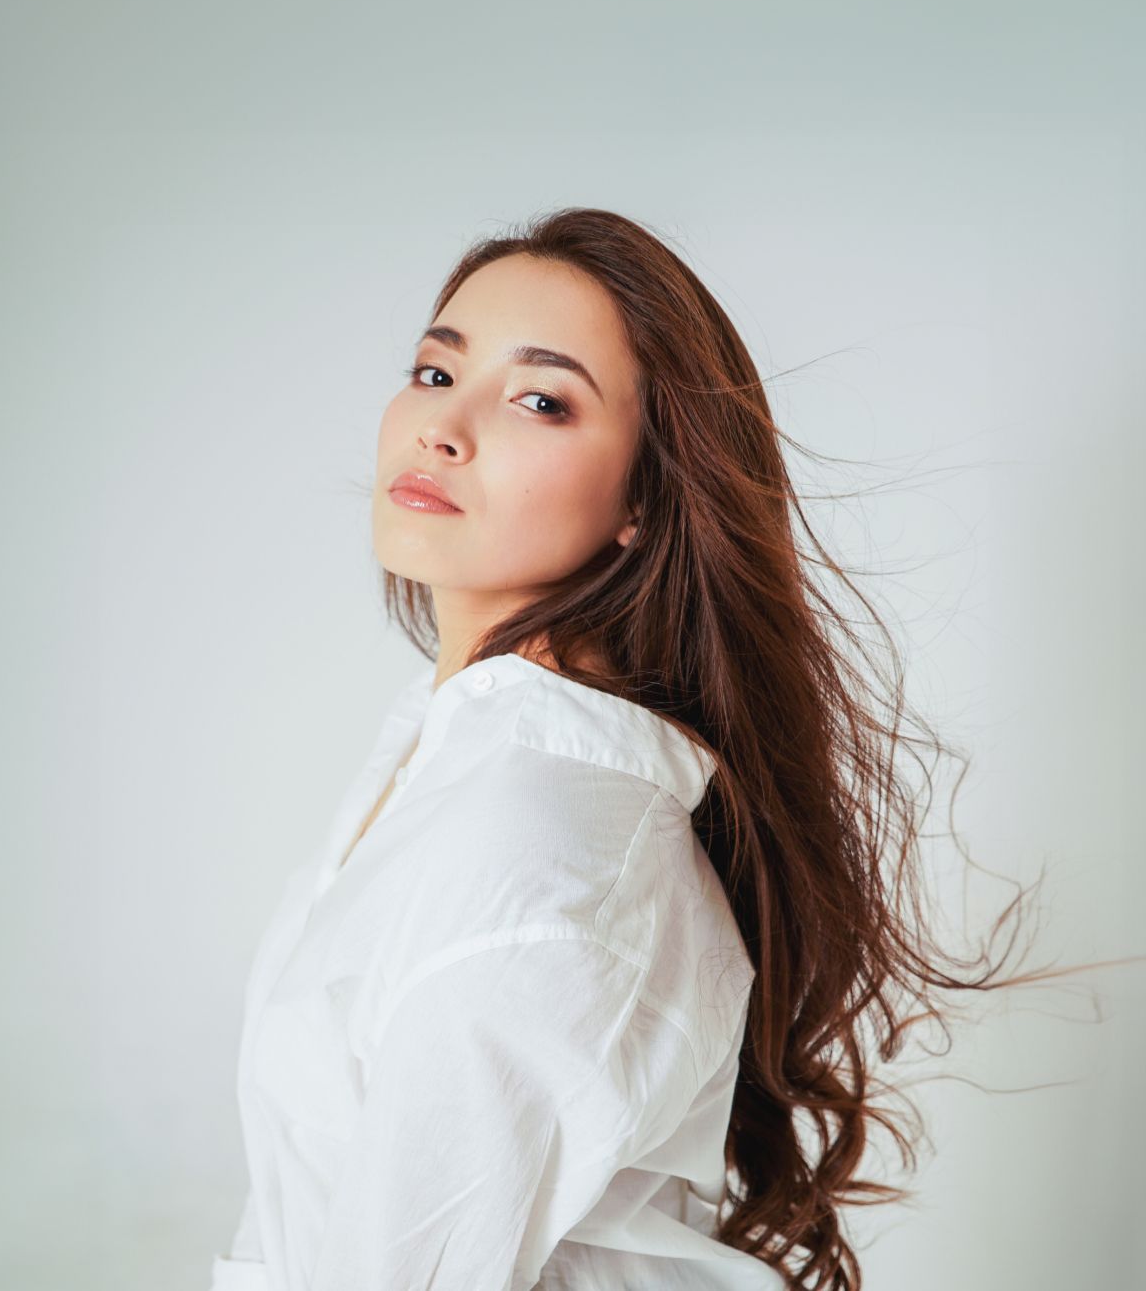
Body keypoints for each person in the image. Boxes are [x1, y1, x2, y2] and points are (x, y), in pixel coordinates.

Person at [209, 207, 1044, 1290]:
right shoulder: (454, 750)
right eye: (431, 372)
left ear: (643, 499)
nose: (443, 428)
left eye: (540, 401)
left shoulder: (534, 839)